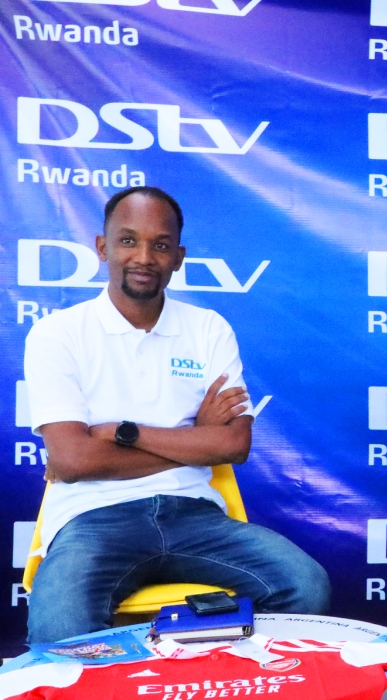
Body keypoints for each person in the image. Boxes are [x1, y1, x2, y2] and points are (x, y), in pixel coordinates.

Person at [24, 186, 330, 644]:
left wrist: (120, 433)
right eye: (128, 241)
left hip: (195, 516)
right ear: (103, 248)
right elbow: (72, 462)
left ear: (179, 256)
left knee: (306, 587)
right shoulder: (57, 334)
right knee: (59, 629)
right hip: (93, 517)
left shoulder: (207, 329)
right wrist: (195, 443)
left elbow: (233, 445)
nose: (144, 256)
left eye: (160, 245)